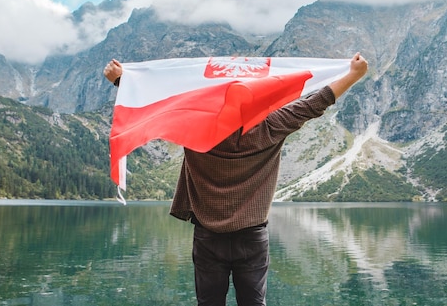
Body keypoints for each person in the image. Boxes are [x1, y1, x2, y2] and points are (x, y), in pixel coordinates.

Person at [103, 53, 368, 306]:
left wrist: (121, 81)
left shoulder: (194, 125)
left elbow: (159, 107)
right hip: (252, 237)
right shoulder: (272, 125)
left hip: (207, 236)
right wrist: (353, 76)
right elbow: (314, 103)